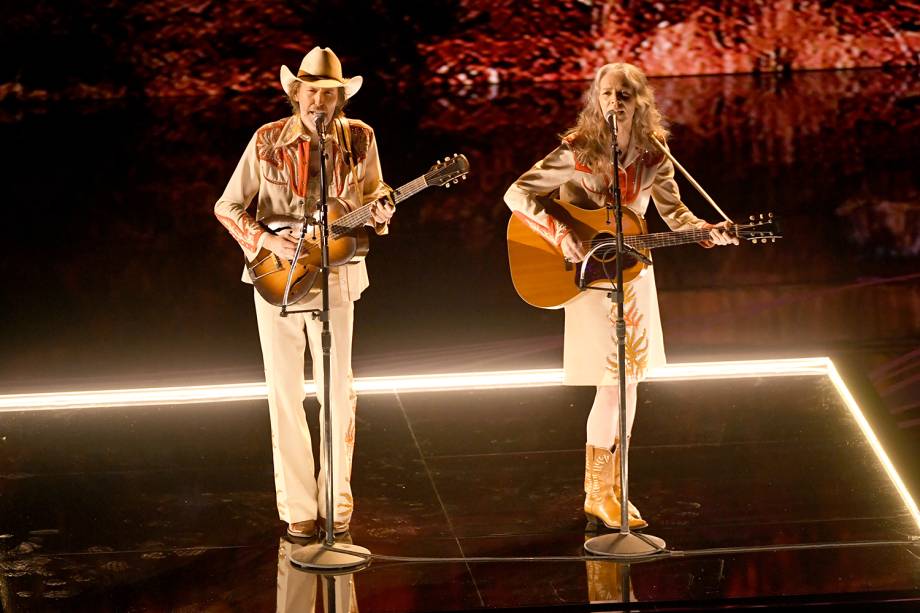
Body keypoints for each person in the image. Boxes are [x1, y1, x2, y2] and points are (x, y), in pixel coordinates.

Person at [504, 62, 737, 531]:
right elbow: (517, 193)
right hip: (589, 277)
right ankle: (597, 493)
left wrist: (707, 233)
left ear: (640, 101)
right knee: (612, 385)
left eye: (625, 94)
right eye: (608, 94)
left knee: (630, 386)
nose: (615, 102)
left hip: (634, 274)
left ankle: (611, 490)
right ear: (597, 99)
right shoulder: (579, 150)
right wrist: (562, 231)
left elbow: (676, 214)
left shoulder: (655, 154)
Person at [214, 46, 395, 539]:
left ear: (340, 99)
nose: (321, 101)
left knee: (339, 393)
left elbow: (377, 192)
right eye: (312, 91)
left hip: (337, 275)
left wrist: (381, 210)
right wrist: (267, 239)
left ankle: (336, 504)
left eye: (330, 94)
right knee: (285, 395)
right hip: (276, 279)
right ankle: (298, 509)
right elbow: (227, 207)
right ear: (296, 92)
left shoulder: (360, 138)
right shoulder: (267, 139)